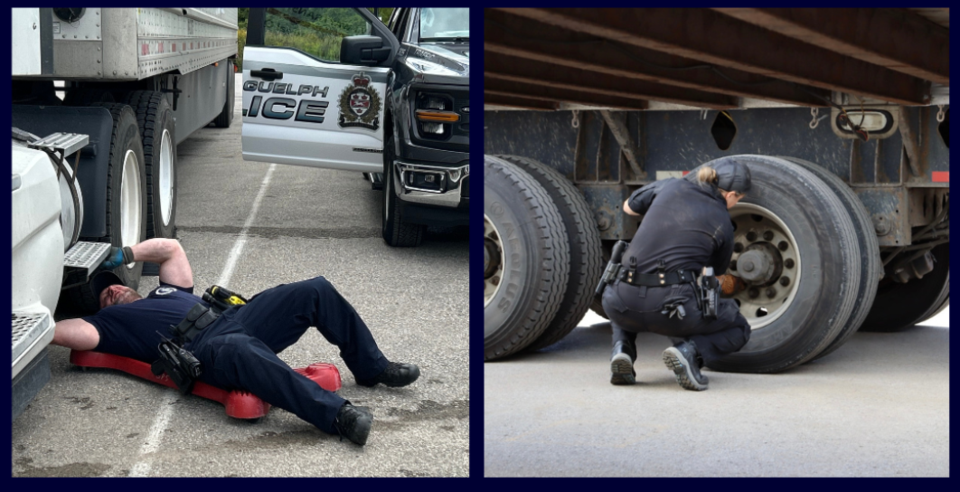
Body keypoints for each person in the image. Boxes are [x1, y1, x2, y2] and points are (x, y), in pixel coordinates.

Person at [52, 238, 420, 445]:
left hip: (237, 317)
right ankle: (338, 416)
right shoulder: (110, 325)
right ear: (99, 311)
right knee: (240, 350)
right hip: (204, 348)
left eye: (113, 284)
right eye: (103, 296)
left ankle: (372, 368)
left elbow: (172, 249)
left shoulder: (167, 289)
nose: (112, 291)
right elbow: (61, 333)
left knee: (314, 290)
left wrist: (125, 254)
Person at [600, 157, 752, 391]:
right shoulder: (723, 222)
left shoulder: (671, 185)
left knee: (626, 296)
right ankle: (689, 352)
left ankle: (622, 351)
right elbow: (713, 274)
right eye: (738, 199)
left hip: (619, 303)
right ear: (730, 195)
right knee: (739, 326)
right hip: (672, 311)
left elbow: (629, 207)